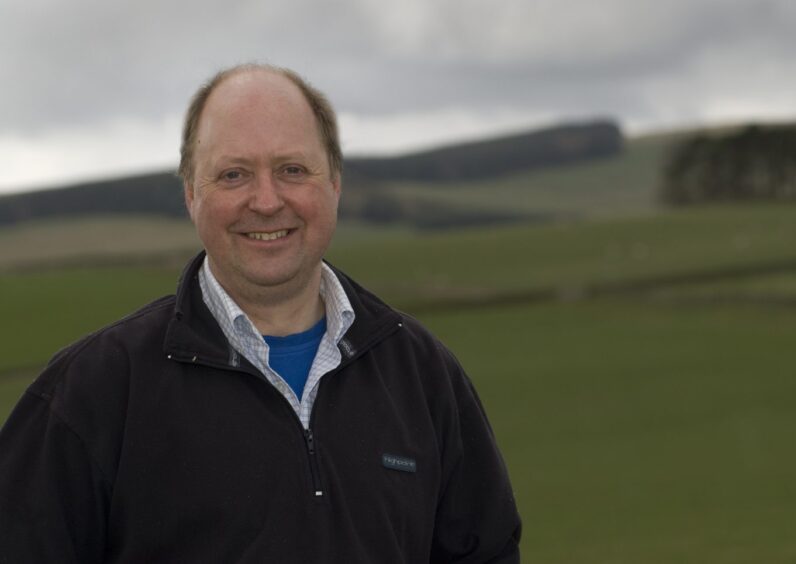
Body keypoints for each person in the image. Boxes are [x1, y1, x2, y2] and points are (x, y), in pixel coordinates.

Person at [0, 64, 521, 563]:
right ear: (190, 194)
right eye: (233, 174)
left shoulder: (423, 375)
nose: (267, 201)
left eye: (292, 169)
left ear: (335, 182)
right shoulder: (93, 390)